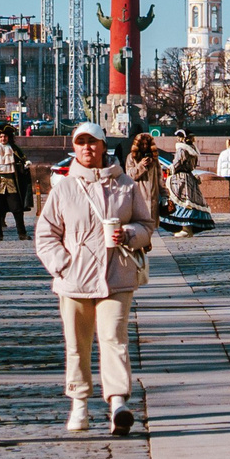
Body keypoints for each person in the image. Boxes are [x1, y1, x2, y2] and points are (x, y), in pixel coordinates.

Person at [33, 121, 155, 437]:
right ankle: (80, 403)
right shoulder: (64, 188)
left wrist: (129, 234)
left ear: (103, 146)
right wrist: (62, 265)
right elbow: (46, 234)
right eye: (81, 142)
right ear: (74, 148)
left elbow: (146, 225)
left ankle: (118, 404)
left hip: (116, 276)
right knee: (77, 345)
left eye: (93, 142)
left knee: (114, 339)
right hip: (74, 281)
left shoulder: (126, 184)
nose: (87, 148)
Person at [0, 126, 32, 241]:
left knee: (17, 209)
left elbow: (21, 163)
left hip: (11, 181)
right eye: (1, 136)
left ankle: (22, 233)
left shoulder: (14, 148)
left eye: (5, 136)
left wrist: (25, 166)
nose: (3, 139)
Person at [163, 136, 208, 236]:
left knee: (182, 202)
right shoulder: (193, 149)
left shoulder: (181, 149)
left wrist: (170, 170)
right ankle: (189, 229)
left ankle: (185, 228)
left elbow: (177, 163)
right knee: (190, 202)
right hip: (189, 177)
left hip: (180, 179)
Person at [124, 132, 166, 222]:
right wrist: (141, 165)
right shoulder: (131, 157)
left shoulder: (154, 159)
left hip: (153, 199)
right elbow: (130, 175)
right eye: (142, 144)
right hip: (139, 198)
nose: (144, 146)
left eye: (146, 144)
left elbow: (159, 177)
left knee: (151, 227)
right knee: (140, 226)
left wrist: (165, 195)